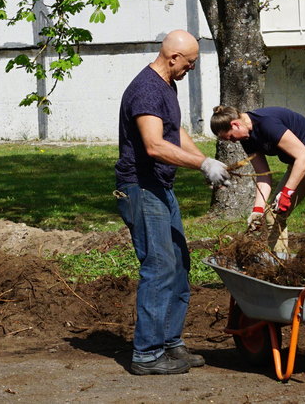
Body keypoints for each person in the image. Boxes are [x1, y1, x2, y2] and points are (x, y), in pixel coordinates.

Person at [114, 30, 231, 376]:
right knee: (159, 266)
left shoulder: (167, 86)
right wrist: (202, 164)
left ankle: (169, 343)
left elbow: (173, 131)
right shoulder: (147, 90)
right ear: (173, 57)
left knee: (179, 263)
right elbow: (153, 145)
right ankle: (147, 355)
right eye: (190, 62)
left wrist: (206, 162)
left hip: (160, 186)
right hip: (140, 188)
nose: (191, 69)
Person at [210, 105, 305, 265]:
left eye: (231, 137)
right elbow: (263, 176)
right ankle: (281, 265)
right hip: (299, 162)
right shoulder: (247, 138)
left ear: (235, 124)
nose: (233, 141)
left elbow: (304, 155)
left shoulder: (266, 123)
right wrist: (257, 211)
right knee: (272, 214)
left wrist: (287, 192)